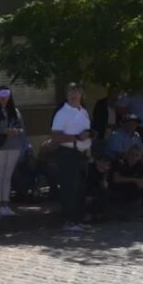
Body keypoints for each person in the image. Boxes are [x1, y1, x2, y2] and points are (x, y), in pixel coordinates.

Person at [50, 83, 93, 232]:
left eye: (76, 91)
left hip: (82, 154)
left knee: (80, 188)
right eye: (70, 92)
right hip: (68, 153)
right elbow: (55, 137)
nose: (73, 95)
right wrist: (76, 137)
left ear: (82, 93)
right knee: (69, 188)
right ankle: (69, 221)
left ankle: (78, 219)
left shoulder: (84, 111)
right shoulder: (62, 113)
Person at [0, 88, 25, 217]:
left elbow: (22, 128)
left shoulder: (15, 111)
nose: (3, 98)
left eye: (6, 95)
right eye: (1, 95)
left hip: (13, 147)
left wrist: (17, 131)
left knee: (7, 176)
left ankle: (6, 204)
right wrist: (4, 131)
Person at [111, 143, 143, 216]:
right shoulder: (120, 163)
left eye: (136, 155)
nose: (133, 157)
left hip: (133, 188)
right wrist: (135, 180)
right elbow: (116, 179)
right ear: (127, 154)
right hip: (119, 187)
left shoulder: (140, 165)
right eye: (131, 154)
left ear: (140, 157)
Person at [85, 154, 112, 223]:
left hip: (100, 192)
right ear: (97, 161)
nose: (105, 164)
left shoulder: (107, 171)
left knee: (105, 192)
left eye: (107, 162)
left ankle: (101, 214)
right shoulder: (90, 169)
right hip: (88, 191)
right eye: (103, 162)